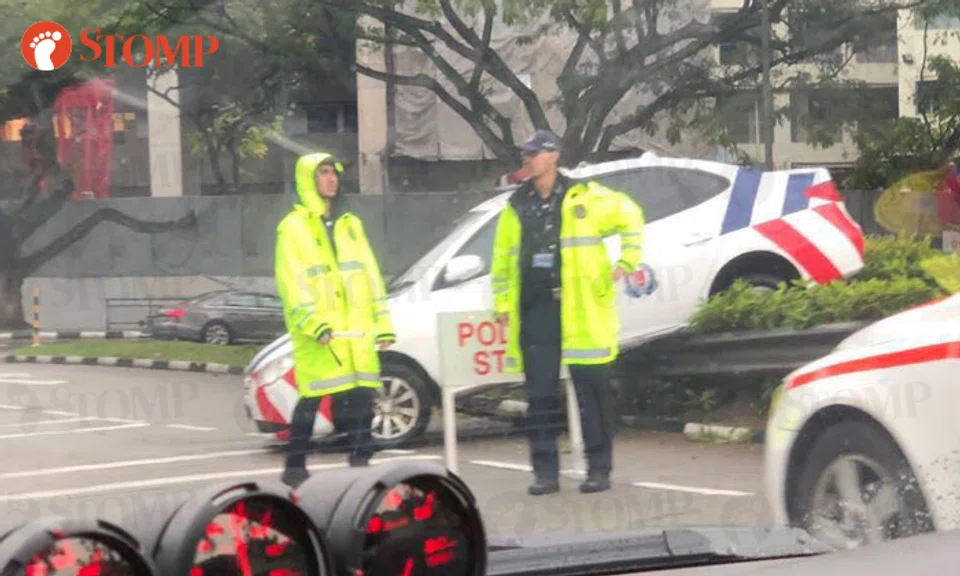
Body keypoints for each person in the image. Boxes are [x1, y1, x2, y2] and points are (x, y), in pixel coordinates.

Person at [490, 130, 645, 495]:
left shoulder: (585, 197)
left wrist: (626, 262)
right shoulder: (516, 206)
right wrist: (502, 304)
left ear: (554, 156)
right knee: (539, 396)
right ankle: (545, 474)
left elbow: (632, 217)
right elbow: (501, 262)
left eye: (535, 154)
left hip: (580, 309)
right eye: (525, 155)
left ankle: (599, 470)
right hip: (536, 310)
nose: (528, 160)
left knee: (592, 394)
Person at [274, 151, 396, 488]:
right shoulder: (293, 228)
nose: (331, 179)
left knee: (362, 397)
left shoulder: (350, 224)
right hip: (320, 333)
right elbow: (291, 281)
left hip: (356, 330)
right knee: (312, 398)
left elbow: (370, 274)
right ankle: (295, 467)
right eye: (323, 172)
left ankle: (360, 464)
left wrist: (383, 323)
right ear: (307, 179)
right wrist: (314, 324)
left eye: (333, 173)